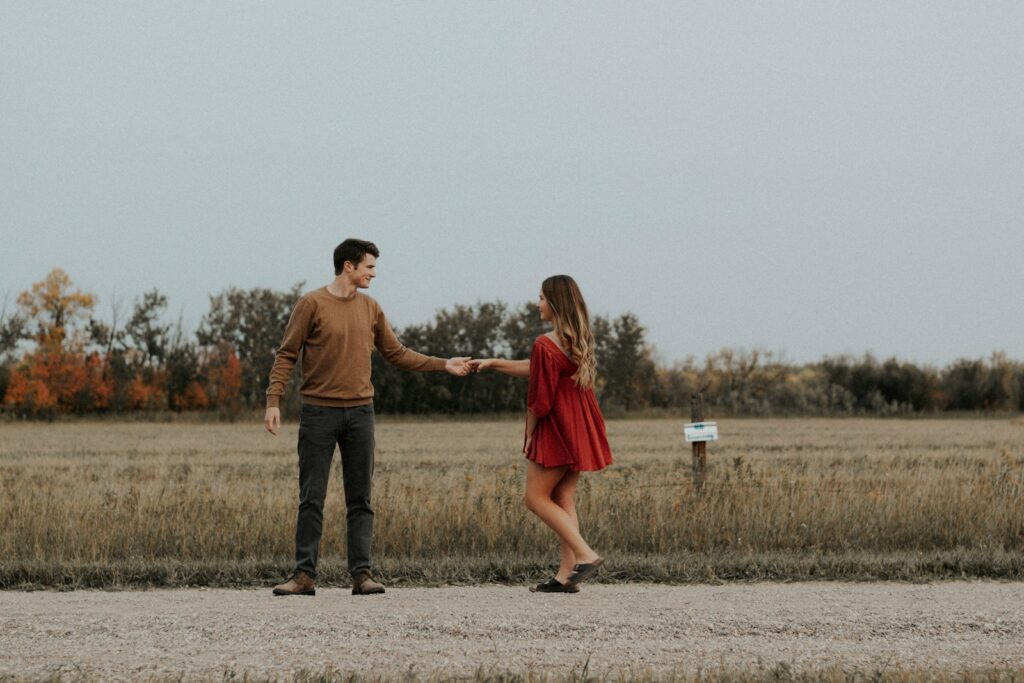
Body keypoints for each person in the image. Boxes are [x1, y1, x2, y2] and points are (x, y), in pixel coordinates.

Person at [265, 238, 472, 597]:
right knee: (312, 497)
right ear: (349, 266)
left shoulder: (371, 308)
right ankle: (303, 576)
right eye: (369, 267)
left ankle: (362, 575)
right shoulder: (311, 304)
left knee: (360, 499)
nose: (374, 274)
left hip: (361, 413)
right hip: (318, 413)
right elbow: (286, 354)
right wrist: (273, 400)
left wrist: (444, 364)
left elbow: (397, 353)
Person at [470, 274, 612, 593]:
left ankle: (585, 554)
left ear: (555, 303)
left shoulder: (546, 342)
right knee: (562, 498)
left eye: (542, 298)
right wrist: (494, 363)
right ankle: (566, 577)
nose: (538, 304)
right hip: (580, 426)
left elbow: (539, 400)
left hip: (557, 427)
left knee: (535, 498)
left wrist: (531, 434)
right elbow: (537, 365)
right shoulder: (576, 338)